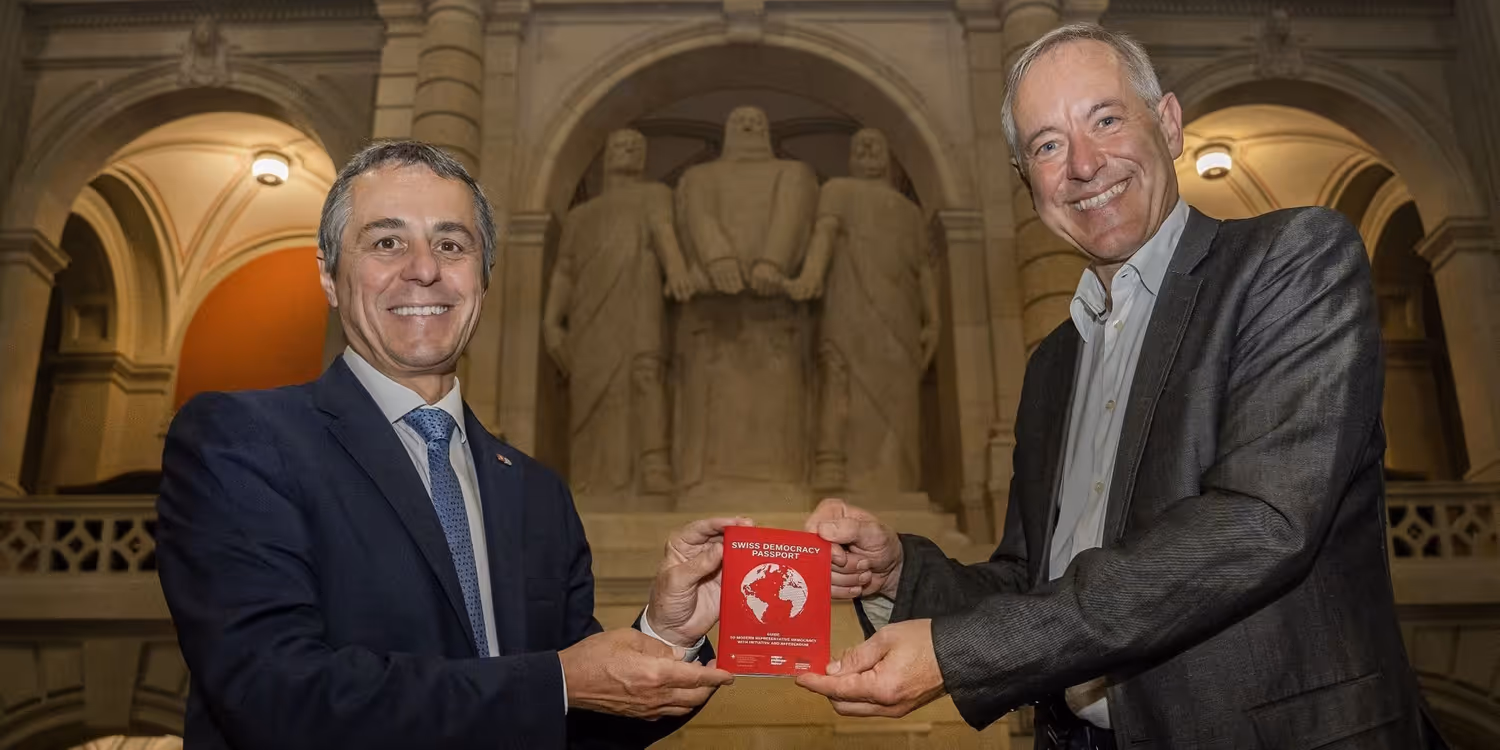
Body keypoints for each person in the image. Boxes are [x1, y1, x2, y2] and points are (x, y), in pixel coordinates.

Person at [796, 23, 1446, 750]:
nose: (1082, 164)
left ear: (1167, 124)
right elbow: (1031, 580)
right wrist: (897, 574)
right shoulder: (1052, 365)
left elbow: (1258, 524)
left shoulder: (1292, 260)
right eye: (1046, 145)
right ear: (1027, 182)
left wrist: (958, 654)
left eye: (1105, 119)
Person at [156, 141, 738, 750]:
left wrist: (667, 636)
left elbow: (578, 723)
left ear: (483, 282)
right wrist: (559, 681)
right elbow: (277, 696)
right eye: (386, 242)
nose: (423, 268)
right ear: (328, 275)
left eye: (452, 244)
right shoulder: (242, 442)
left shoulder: (537, 492)